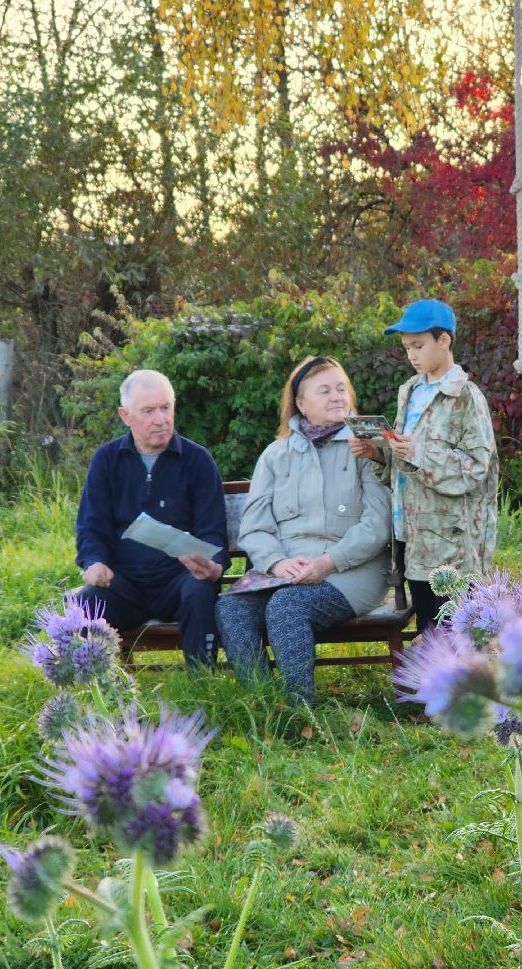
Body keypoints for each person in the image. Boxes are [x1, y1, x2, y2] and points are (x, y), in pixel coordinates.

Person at [216, 356, 390, 706]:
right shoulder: (275, 456)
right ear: (300, 403)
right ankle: (263, 705)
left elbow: (378, 523)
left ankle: (300, 710)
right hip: (287, 570)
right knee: (230, 608)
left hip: (350, 570)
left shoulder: (367, 447)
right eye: (324, 390)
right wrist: (277, 562)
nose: (337, 397)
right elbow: (255, 525)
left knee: (287, 606)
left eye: (342, 388)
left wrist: (328, 563)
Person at [350, 298, 498, 629]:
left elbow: (477, 466)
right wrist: (376, 452)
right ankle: (428, 682)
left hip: (452, 541)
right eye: (406, 348)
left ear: (444, 340)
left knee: (455, 629)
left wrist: (420, 454)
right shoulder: (410, 391)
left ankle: (463, 681)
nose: (411, 355)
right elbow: (403, 456)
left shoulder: (466, 397)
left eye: (418, 345)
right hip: (413, 533)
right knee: (428, 627)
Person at [76, 369, 228, 666]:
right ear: (126, 415)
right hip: (125, 583)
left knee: (201, 591)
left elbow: (213, 531)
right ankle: (101, 693)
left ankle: (204, 688)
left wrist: (214, 566)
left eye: (166, 408)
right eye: (148, 411)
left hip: (179, 580)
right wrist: (94, 562)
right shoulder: (106, 461)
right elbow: (91, 527)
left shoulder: (197, 460)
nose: (161, 419)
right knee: (85, 604)